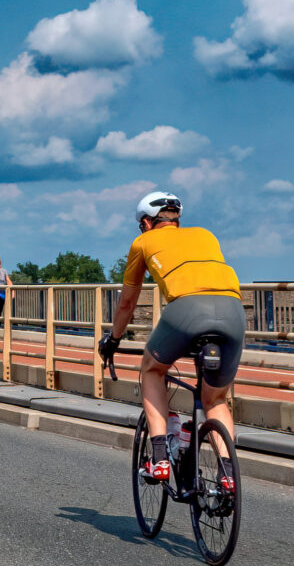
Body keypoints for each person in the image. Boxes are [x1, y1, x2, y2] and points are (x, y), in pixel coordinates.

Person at [101, 191, 245, 483]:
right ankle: (228, 476)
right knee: (215, 399)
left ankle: (159, 459)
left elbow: (128, 302)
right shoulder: (206, 235)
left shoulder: (143, 241)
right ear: (177, 219)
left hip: (186, 311)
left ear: (145, 223)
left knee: (152, 370)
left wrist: (114, 339)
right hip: (233, 311)